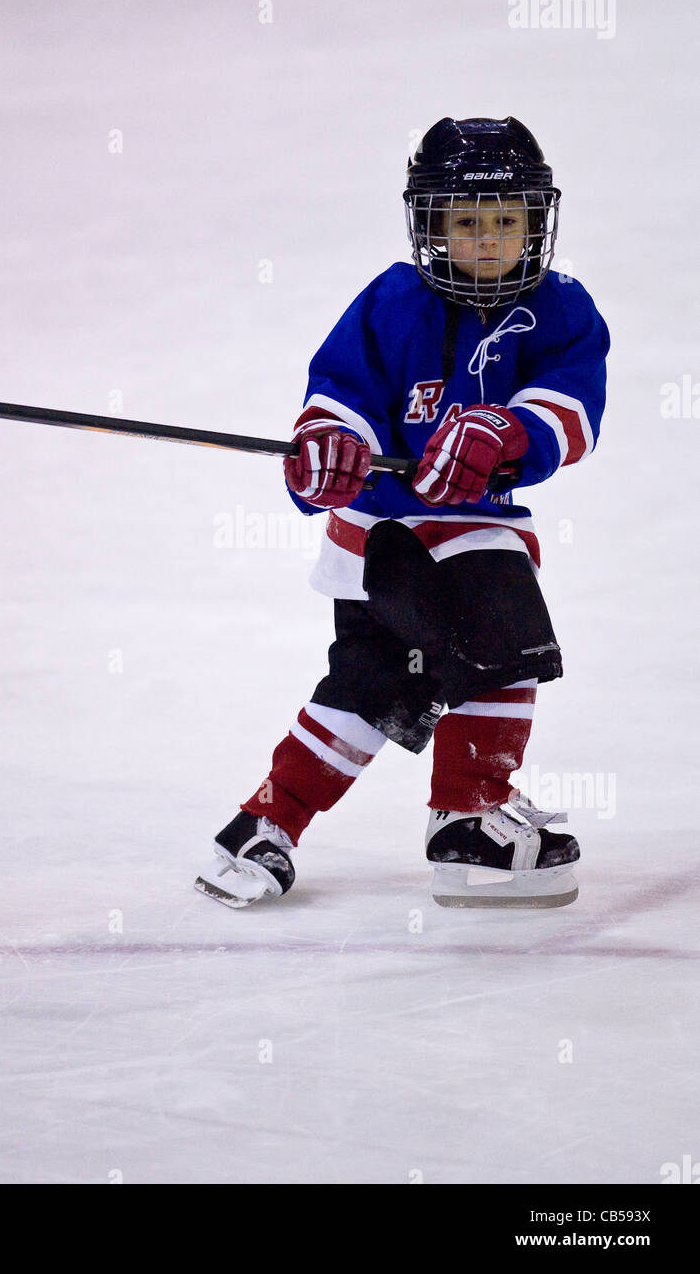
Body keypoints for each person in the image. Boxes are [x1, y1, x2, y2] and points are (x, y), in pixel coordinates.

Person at [195, 116, 609, 910]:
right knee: (458, 662)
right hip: (386, 536)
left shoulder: (560, 309)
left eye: (506, 222)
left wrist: (509, 429)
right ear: (429, 224)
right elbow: (338, 397)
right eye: (465, 222)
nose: (487, 241)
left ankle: (266, 828)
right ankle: (463, 820)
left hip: (466, 534)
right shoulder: (392, 301)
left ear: (535, 222)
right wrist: (328, 448)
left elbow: (574, 410)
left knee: (389, 679)